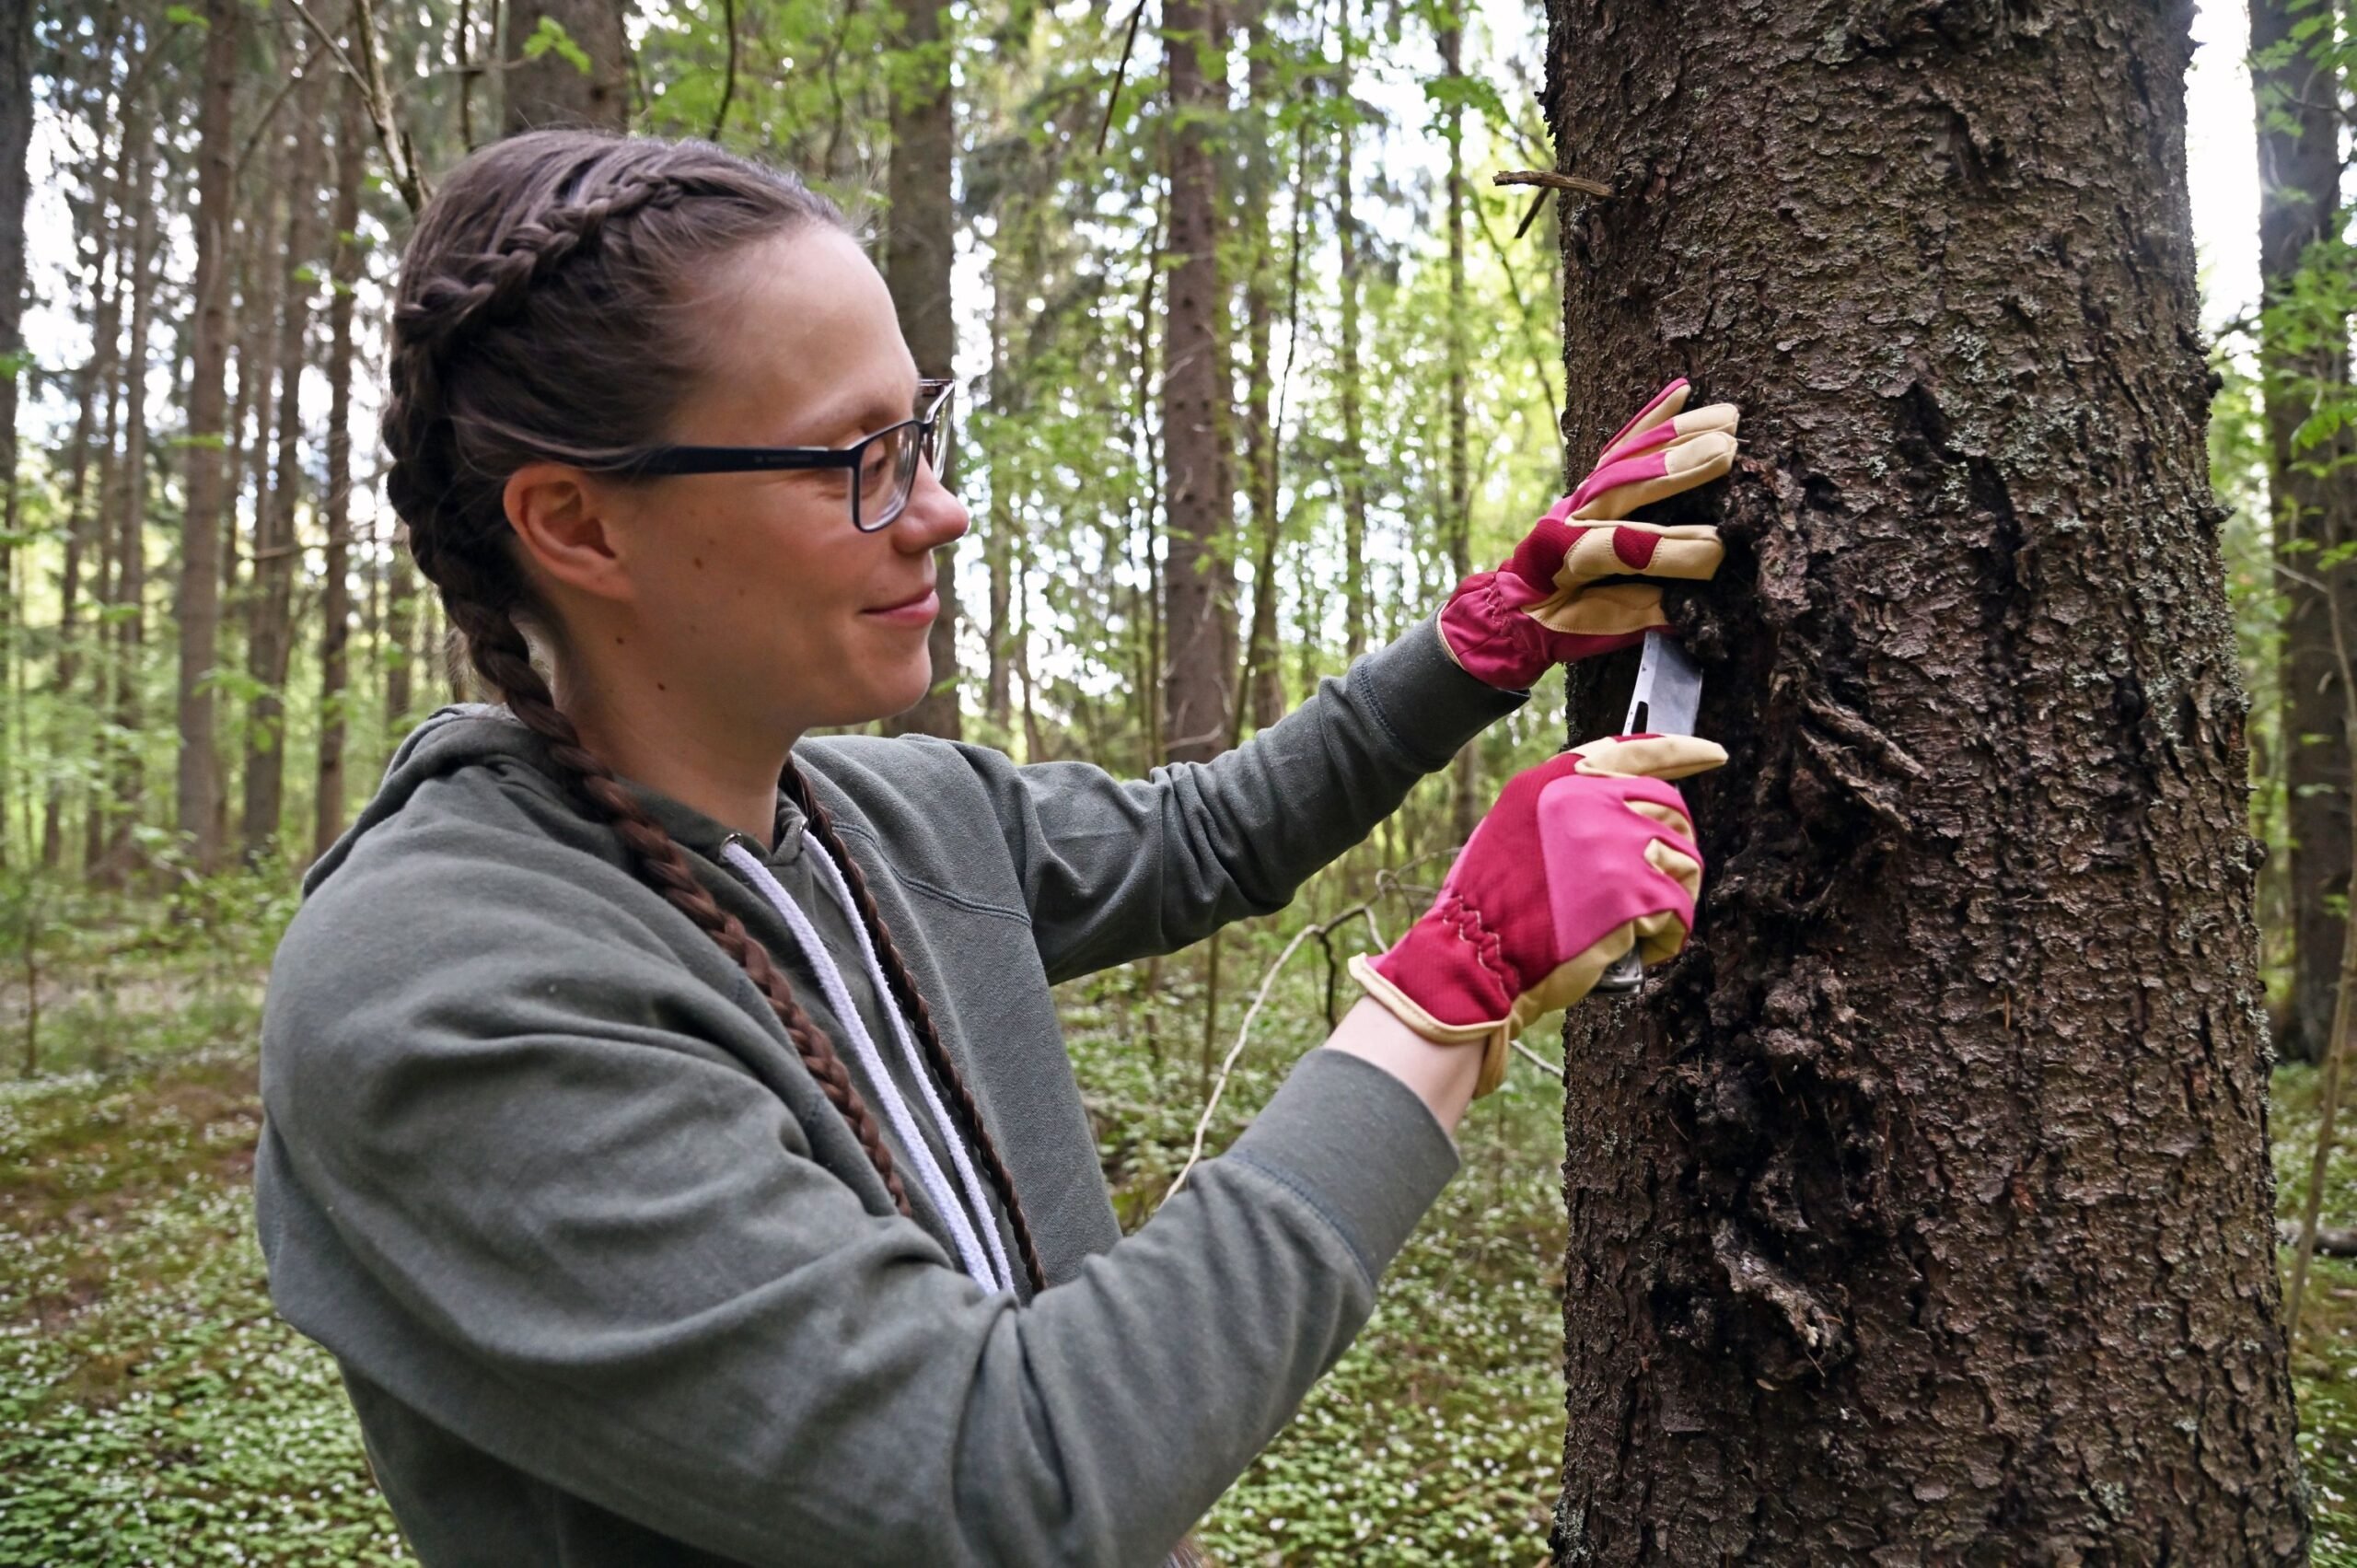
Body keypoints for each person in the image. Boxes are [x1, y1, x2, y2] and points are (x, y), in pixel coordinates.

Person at [254, 131, 1736, 1567]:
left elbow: (1208, 837)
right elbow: (1005, 1478)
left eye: (924, 433)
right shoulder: (441, 996)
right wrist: (1448, 991)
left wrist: (1488, 640)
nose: (943, 513)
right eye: (857, 457)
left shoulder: (888, 816)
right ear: (577, 526)